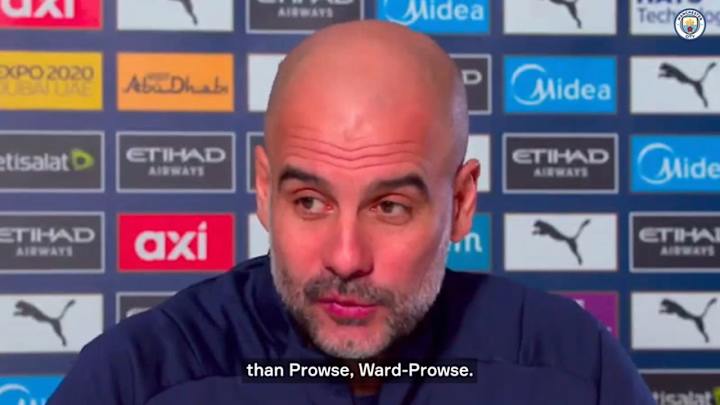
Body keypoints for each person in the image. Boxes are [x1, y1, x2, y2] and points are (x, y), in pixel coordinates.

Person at [48, 20, 654, 405]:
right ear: (263, 190)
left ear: (461, 203)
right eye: (310, 203)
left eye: (390, 207)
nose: (345, 258)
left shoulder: (574, 369)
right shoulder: (136, 378)